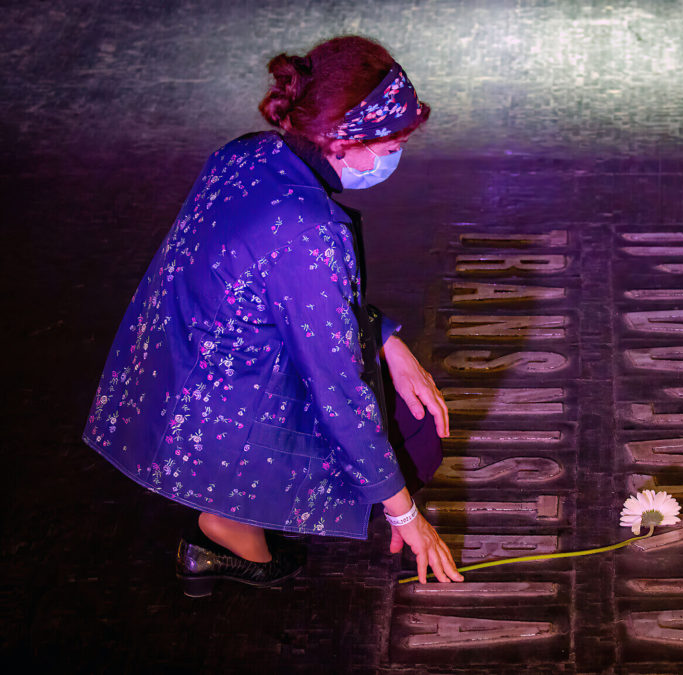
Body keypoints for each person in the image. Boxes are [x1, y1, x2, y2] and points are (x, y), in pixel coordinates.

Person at [83, 36, 464, 596]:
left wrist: (386, 340)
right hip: (220, 418)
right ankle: (229, 528)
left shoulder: (248, 153)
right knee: (415, 435)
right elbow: (338, 390)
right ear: (346, 141)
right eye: (392, 144)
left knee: (390, 399)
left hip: (174, 379)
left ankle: (225, 509)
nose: (394, 157)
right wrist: (406, 516)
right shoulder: (312, 230)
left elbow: (278, 291)